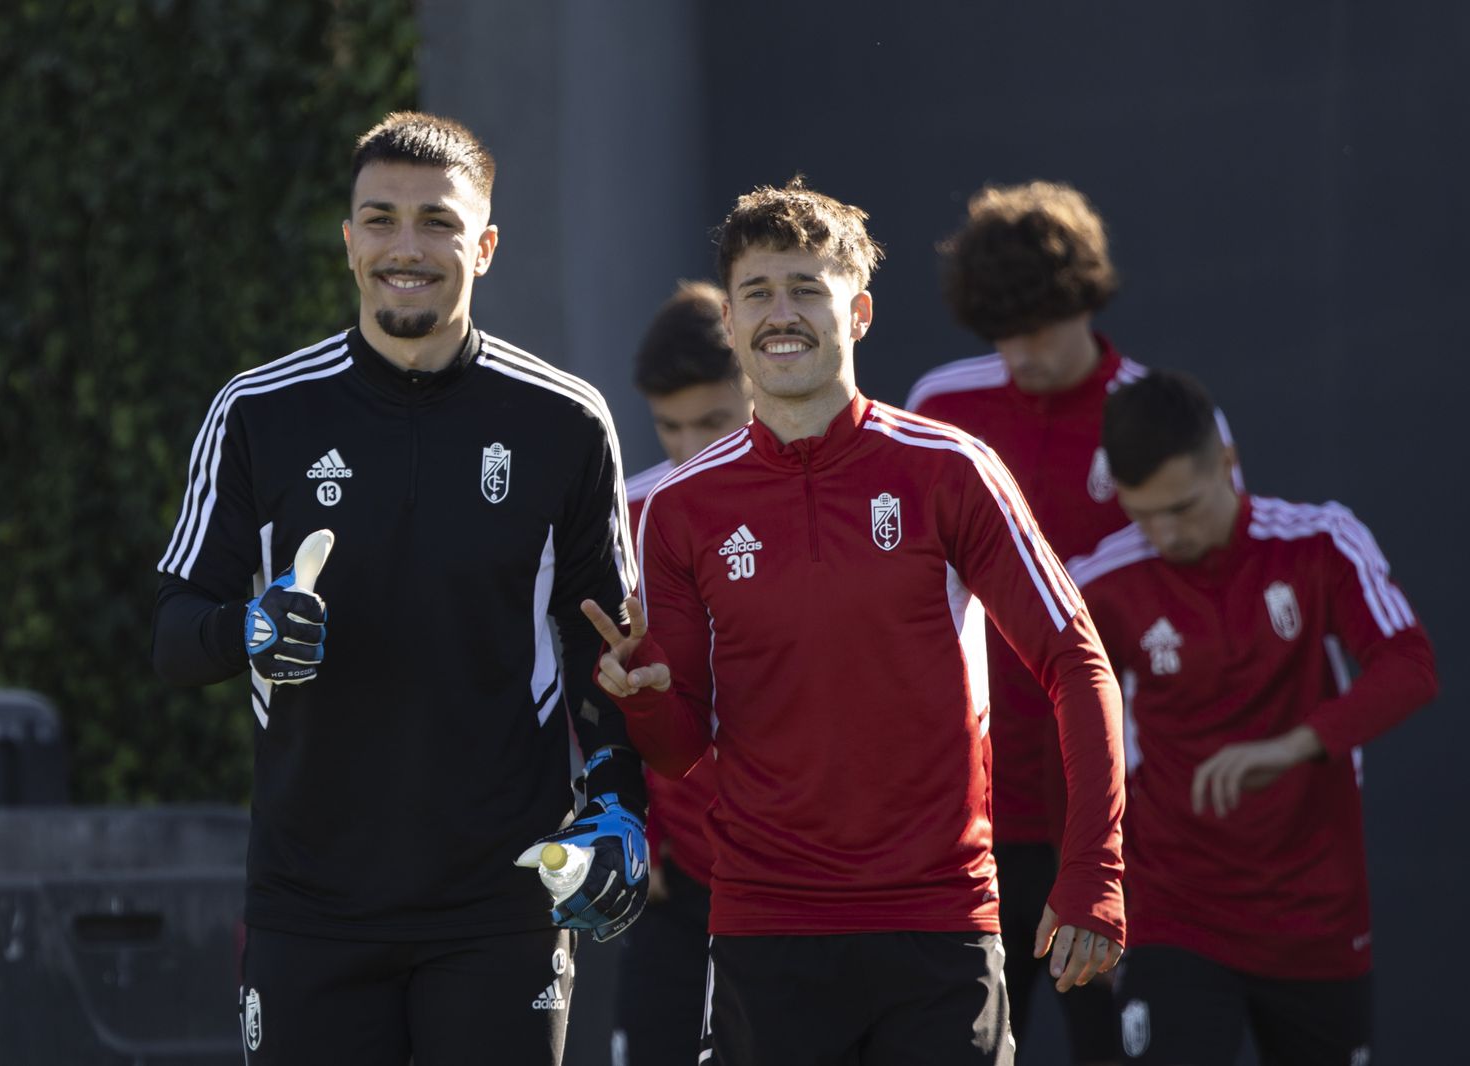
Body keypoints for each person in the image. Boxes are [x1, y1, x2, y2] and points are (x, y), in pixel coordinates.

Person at [584, 177, 1128, 1066]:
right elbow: (680, 747)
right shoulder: (679, 509)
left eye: (807, 288)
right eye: (757, 292)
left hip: (940, 924)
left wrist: (1094, 873)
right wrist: (643, 699)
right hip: (765, 927)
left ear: (860, 311)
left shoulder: (951, 469)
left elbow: (1077, 662)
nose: (781, 312)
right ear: (729, 322)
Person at [151, 110, 649, 1066]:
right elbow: (175, 633)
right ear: (348, 242)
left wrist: (620, 803)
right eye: (379, 220)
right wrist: (249, 631)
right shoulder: (258, 412)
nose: (406, 248)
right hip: (311, 906)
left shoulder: (565, 421)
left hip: (502, 905)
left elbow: (602, 645)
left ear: (486, 245)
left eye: (439, 223)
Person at [1066, 370, 1437, 1066]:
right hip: (1176, 912)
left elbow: (1410, 665)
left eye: (1182, 507)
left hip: (1317, 917)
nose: (1165, 533)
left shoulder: (1320, 540)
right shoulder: (1099, 583)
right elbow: (1067, 743)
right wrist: (1098, 891)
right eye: (1142, 513)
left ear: (1228, 465)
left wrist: (1295, 746)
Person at [902, 181, 1139, 1064]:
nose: (1021, 355)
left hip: (1112, 813)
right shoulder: (941, 407)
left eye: (1038, 327)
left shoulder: (1156, 417)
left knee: (1110, 1046)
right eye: (1001, 334)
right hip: (974, 810)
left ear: (1084, 298)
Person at [612, 280, 753, 1066]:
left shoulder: (821, 504)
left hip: (803, 878)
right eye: (670, 427)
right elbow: (591, 685)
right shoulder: (622, 522)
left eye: (714, 421)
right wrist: (639, 822)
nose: (691, 448)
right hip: (677, 875)